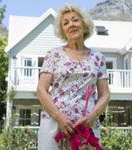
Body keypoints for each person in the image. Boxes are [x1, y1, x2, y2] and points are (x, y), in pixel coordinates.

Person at [37, 4, 110, 150]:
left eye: (75, 20)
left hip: (86, 127)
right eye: (66, 23)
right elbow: (41, 89)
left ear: (84, 24)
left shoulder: (98, 57)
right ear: (63, 30)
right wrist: (59, 118)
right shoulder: (54, 55)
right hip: (54, 125)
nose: (71, 25)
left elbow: (105, 94)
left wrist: (92, 116)